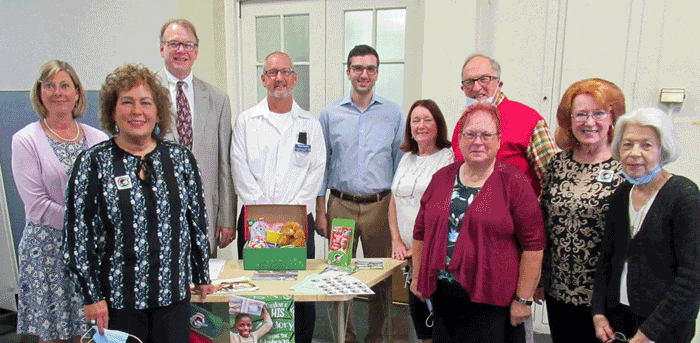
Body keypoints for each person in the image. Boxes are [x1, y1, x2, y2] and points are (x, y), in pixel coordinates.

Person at [63, 64, 215, 343]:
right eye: (127, 102)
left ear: (157, 112)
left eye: (146, 103)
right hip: (117, 303)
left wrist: (201, 274)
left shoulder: (181, 159)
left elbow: (197, 222)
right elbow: (76, 238)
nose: (137, 111)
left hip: (172, 298)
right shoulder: (92, 162)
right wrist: (92, 297)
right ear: (112, 111)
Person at [411, 103, 545, 343]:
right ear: (460, 139)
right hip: (445, 298)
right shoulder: (441, 178)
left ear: (498, 139)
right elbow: (420, 232)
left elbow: (533, 246)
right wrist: (418, 278)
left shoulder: (514, 182)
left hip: (493, 300)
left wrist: (523, 300)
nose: (478, 141)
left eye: (486, 135)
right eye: (470, 134)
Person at [11, 60, 108, 343]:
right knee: (54, 335)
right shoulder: (26, 140)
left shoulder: (97, 138)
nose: (58, 92)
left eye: (65, 85)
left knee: (90, 333)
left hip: (89, 254)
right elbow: (36, 206)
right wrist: (85, 224)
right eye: (49, 86)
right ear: (39, 93)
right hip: (47, 254)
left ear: (77, 92)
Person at [231, 51, 325, 343]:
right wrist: (265, 217)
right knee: (254, 291)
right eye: (272, 73)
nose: (279, 78)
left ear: (294, 78)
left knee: (300, 293)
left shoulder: (309, 123)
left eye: (285, 72)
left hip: (297, 227)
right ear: (263, 79)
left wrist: (290, 215)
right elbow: (239, 167)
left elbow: (316, 170)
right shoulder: (247, 121)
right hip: (254, 226)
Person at [316, 44, 404, 343]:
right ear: (348, 71)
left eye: (370, 69)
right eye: (357, 68)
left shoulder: (393, 113)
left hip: (380, 207)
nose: (363, 74)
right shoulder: (330, 114)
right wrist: (320, 210)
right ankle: (346, 336)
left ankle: (376, 336)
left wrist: (399, 215)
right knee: (339, 277)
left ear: (377, 73)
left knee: (380, 279)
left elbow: (400, 165)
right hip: (340, 205)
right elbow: (322, 163)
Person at [592, 108, 700, 343]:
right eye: (627, 144)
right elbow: (607, 257)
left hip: (665, 328)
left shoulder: (685, 197)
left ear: (663, 150)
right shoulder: (622, 193)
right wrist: (598, 312)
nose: (634, 153)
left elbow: (691, 278)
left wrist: (647, 334)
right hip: (619, 319)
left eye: (646, 145)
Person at [537, 78, 626, 342]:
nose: (590, 122)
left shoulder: (624, 167)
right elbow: (544, 223)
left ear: (613, 118)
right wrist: (539, 279)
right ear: (569, 120)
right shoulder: (557, 164)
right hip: (558, 288)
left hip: (605, 293)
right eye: (581, 114)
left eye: (598, 113)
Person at [159, 19, 236, 253]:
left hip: (204, 214)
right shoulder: (145, 93)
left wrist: (227, 218)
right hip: (158, 212)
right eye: (174, 44)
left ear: (196, 52)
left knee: (205, 284)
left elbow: (225, 164)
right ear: (161, 48)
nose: (182, 50)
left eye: (188, 45)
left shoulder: (217, 98)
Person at [388, 99, 453, 342]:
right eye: (416, 120)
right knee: (421, 323)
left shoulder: (448, 158)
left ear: (438, 125)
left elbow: (443, 212)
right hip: (409, 258)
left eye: (428, 119)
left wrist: (421, 255)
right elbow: (394, 200)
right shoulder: (406, 158)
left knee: (440, 324)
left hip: (433, 257)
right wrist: (396, 240)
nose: (421, 125)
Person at [451, 54, 558, 196]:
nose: (476, 87)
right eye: (469, 82)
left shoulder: (529, 120)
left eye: (484, 79)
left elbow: (554, 182)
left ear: (499, 84)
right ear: (462, 89)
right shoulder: (461, 126)